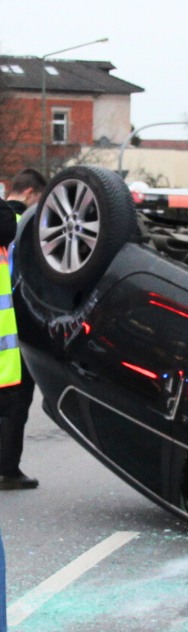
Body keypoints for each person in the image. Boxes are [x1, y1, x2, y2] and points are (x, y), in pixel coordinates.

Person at [0, 168, 46, 490]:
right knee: (14, 400)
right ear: (30, 193)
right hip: (11, 331)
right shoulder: (23, 227)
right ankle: (7, 469)